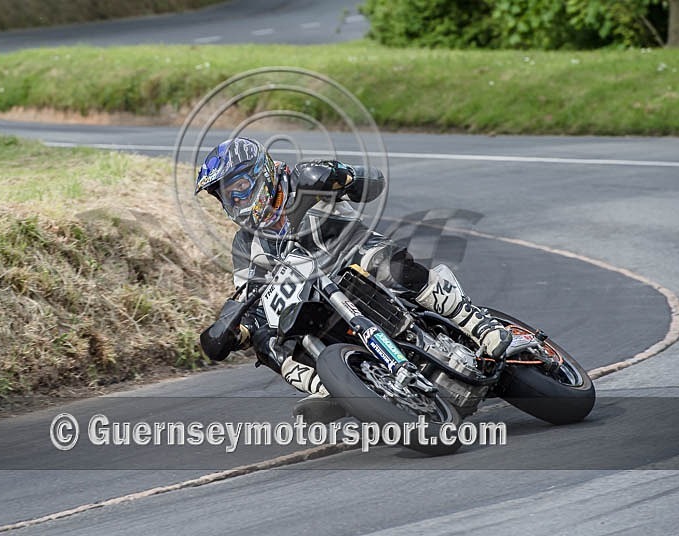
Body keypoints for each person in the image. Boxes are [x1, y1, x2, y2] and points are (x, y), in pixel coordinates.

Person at [195, 137, 511, 421]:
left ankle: (480, 326)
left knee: (382, 262)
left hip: (354, 260)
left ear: (259, 174)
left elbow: (373, 183)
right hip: (313, 298)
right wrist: (235, 331)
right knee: (268, 341)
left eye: (238, 190)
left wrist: (340, 174)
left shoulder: (301, 180)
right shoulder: (244, 243)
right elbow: (250, 295)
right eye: (225, 197)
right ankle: (332, 390)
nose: (234, 202)